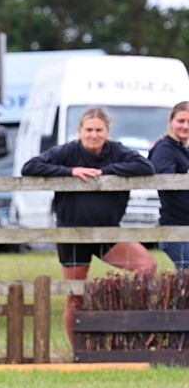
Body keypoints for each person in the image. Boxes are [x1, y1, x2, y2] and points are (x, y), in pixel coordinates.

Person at [21, 106, 157, 345]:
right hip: (73, 234)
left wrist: (106, 172)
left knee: (146, 266)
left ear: (107, 131)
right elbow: (30, 167)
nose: (94, 135)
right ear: (80, 130)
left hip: (108, 232)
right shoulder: (67, 151)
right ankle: (79, 351)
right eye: (89, 130)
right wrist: (70, 171)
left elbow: (146, 167)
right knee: (75, 295)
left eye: (99, 130)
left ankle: (118, 313)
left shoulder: (117, 151)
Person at [149, 101, 189, 270]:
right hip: (175, 226)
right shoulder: (164, 149)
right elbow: (166, 181)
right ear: (170, 122)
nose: (185, 126)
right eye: (181, 121)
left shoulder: (182, 148)